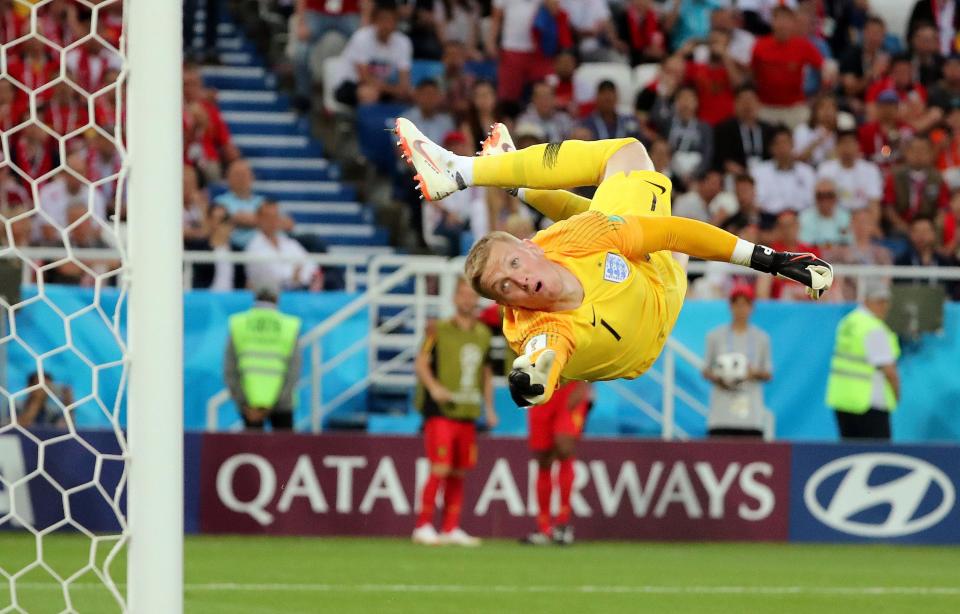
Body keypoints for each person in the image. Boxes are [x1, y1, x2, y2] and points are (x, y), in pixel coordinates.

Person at [394, 118, 833, 407]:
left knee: (619, 171)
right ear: (504, 304)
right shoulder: (533, 326)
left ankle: (486, 172)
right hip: (642, 331)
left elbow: (676, 232)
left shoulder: (571, 239)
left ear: (531, 246)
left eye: (513, 264)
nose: (519, 282)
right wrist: (533, 383)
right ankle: (487, 171)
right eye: (503, 288)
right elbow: (543, 358)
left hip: (657, 273)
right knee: (626, 157)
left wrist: (771, 260)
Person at [412, 277, 497, 546]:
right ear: (454, 298)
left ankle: (450, 528)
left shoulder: (483, 333)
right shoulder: (438, 329)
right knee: (440, 467)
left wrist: (490, 408)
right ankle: (423, 526)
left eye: (471, 295)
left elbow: (485, 372)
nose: (467, 300)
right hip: (441, 410)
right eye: (462, 294)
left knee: (459, 471)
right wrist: (434, 387)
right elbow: (422, 362)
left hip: (468, 409)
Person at [825, 281, 899, 440]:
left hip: (844, 400)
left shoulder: (848, 322)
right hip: (869, 403)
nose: (884, 306)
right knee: (876, 455)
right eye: (880, 301)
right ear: (866, 300)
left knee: (848, 452)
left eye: (886, 301)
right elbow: (889, 371)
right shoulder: (874, 328)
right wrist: (896, 395)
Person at [522, 380, 591, 545]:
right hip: (540, 388)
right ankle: (543, 528)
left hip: (569, 387)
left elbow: (589, 354)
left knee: (564, 448)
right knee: (543, 458)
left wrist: (584, 385)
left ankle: (562, 524)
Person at [224, 287, 302, 431]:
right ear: (277, 300)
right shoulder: (289, 325)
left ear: (255, 300)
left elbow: (230, 369)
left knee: (251, 451)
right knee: (286, 451)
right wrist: (275, 404)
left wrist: (243, 402)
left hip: (249, 404)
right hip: (282, 404)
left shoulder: (239, 323)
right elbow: (294, 369)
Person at [702, 284, 772, 438]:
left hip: (751, 416)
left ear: (751, 307)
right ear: (731, 306)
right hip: (721, 416)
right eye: (737, 304)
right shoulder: (715, 336)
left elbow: (768, 373)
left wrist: (751, 373)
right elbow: (705, 370)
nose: (741, 309)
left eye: (745, 304)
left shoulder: (761, 338)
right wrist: (721, 377)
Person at [244, 201, 319, 291]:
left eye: (275, 216)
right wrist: (294, 276)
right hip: (270, 296)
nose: (272, 221)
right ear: (258, 219)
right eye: (268, 217)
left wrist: (297, 277)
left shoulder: (289, 242)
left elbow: (311, 265)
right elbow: (274, 275)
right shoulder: (253, 247)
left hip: (298, 291)